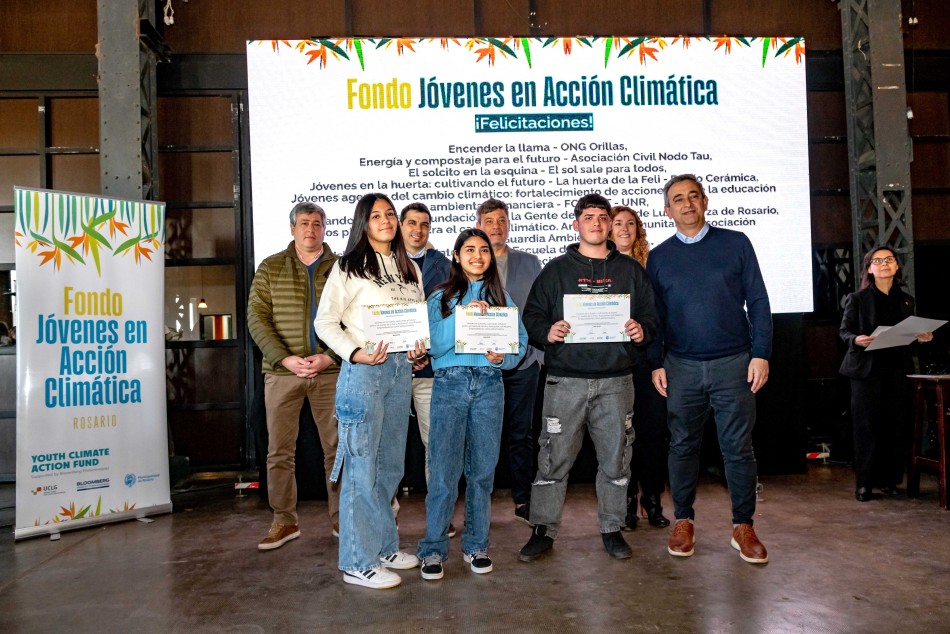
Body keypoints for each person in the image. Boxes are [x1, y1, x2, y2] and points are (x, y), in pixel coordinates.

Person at [518, 193, 658, 562]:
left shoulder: (630, 271)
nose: (596, 223)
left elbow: (652, 317)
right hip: (565, 381)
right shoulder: (556, 270)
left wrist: (642, 331)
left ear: (610, 224)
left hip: (616, 381)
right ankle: (543, 530)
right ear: (576, 223)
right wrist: (547, 332)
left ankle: (612, 528)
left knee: (616, 458)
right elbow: (531, 316)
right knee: (552, 459)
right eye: (588, 217)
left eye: (602, 217)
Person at [647, 174, 772, 565]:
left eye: (693, 196)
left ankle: (743, 525)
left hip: (734, 363)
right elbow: (655, 316)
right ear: (668, 211)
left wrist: (761, 352)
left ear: (705, 201)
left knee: (738, 447)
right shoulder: (660, 256)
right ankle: (683, 520)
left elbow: (759, 301)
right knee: (683, 445)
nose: (686, 204)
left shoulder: (737, 244)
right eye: (677, 199)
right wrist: (655, 362)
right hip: (681, 366)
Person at [315, 193, 427, 590]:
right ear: (363, 223)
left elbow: (417, 321)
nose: (386, 220)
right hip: (363, 374)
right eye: (376, 215)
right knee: (361, 470)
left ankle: (383, 548)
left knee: (389, 467)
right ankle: (357, 562)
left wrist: (417, 348)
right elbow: (325, 322)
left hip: (399, 371)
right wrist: (355, 352)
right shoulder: (348, 266)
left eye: (390, 214)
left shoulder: (409, 266)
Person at [417, 228, 528, 581]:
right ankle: (433, 550)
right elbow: (433, 346)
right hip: (450, 385)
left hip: (489, 386)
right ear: (457, 256)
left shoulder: (502, 297)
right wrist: (464, 315)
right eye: (469, 250)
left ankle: (477, 546)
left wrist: (501, 358)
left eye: (483, 250)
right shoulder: (440, 298)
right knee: (443, 472)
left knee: (481, 473)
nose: (477, 256)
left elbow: (519, 344)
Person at [247, 201, 340, 551]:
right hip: (281, 373)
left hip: (330, 372)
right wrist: (284, 358)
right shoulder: (271, 267)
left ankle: (340, 520)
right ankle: (284, 521)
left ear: (324, 228)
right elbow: (257, 318)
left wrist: (329, 357)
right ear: (292, 229)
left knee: (337, 450)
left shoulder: (342, 268)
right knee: (279, 452)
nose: (310, 230)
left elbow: (354, 318)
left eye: (317, 223)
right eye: (304, 223)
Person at [839, 246, 934, 501]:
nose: (884, 264)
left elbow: (907, 336)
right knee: (867, 427)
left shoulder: (906, 300)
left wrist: (922, 337)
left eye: (889, 260)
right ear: (869, 268)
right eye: (877, 261)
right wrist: (856, 339)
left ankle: (890, 480)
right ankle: (865, 483)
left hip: (897, 369)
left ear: (896, 267)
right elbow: (845, 331)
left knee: (895, 425)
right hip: (866, 371)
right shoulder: (857, 298)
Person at [475, 198, 543, 524]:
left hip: (524, 363)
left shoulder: (531, 263)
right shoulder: (467, 264)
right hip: (481, 364)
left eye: (502, 220)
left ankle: (523, 499)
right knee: (481, 436)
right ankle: (479, 502)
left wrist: (540, 356)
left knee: (522, 435)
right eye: (490, 221)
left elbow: (544, 311)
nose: (497, 227)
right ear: (479, 227)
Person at [609, 205, 670, 530]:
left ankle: (654, 501)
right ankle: (627, 504)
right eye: (617, 223)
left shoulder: (653, 265)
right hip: (615, 364)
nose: (624, 228)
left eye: (630, 223)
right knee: (621, 438)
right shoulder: (600, 267)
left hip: (649, 363)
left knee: (653, 434)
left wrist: (658, 359)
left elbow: (661, 316)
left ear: (638, 229)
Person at [399, 202, 453, 534]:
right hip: (388, 370)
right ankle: (384, 516)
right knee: (386, 447)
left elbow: (448, 315)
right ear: (400, 226)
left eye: (424, 224)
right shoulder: (380, 263)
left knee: (436, 446)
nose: (418, 230)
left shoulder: (443, 266)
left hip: (430, 372)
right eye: (412, 223)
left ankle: (440, 515)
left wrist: (427, 353)